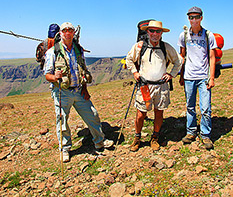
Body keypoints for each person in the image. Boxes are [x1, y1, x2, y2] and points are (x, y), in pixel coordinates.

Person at [44, 22, 114, 162]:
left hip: (78, 90)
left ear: (74, 32)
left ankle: (99, 141)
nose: (68, 32)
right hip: (62, 92)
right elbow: (47, 75)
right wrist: (55, 77)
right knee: (62, 120)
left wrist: (85, 88)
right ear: (61, 33)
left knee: (92, 114)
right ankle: (64, 149)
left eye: (70, 30)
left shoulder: (78, 50)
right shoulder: (52, 52)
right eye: (65, 30)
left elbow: (81, 69)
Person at [126, 20, 182, 152]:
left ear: (161, 33)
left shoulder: (166, 47)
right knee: (140, 114)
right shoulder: (140, 46)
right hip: (145, 86)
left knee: (159, 112)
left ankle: (155, 138)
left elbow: (178, 61)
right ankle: (137, 138)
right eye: (152, 31)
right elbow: (129, 59)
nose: (154, 34)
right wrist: (134, 72)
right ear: (147, 32)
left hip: (161, 86)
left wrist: (171, 75)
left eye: (158, 31)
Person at [178, 6, 217, 150]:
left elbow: (212, 57)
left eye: (196, 17)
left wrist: (211, 77)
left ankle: (205, 135)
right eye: (191, 17)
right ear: (188, 18)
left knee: (205, 108)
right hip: (189, 76)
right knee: (190, 106)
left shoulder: (208, 35)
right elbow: (182, 56)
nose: (193, 20)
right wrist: (181, 75)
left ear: (201, 18)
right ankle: (191, 132)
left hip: (203, 77)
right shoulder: (184, 35)